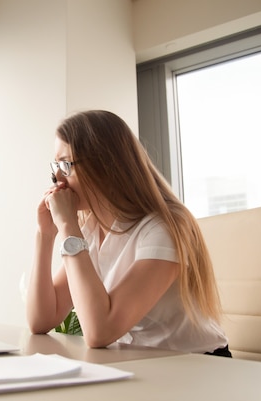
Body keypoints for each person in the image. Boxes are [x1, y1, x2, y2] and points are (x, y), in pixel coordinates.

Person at [26, 110, 231, 356]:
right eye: (56, 165)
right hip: (136, 362)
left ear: (105, 165)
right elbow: (41, 320)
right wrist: (45, 235)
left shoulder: (163, 229)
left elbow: (100, 332)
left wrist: (68, 226)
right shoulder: (91, 229)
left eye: (66, 164)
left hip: (196, 366)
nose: (57, 176)